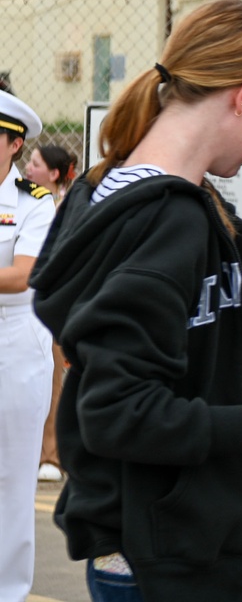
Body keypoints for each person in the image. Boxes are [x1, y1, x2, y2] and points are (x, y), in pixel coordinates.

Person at [28, 0, 242, 602]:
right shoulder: (165, 224)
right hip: (162, 555)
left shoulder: (157, 201)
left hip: (165, 543)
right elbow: (119, 413)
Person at [0, 91, 57, 602]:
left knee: (11, 480)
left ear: (14, 144)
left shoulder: (32, 203)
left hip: (13, 348)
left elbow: (22, 277)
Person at [24, 144, 78, 484]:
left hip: (52, 306)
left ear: (54, 174)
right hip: (22, 308)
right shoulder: (24, 202)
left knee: (53, 382)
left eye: (35, 162)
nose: (28, 167)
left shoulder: (67, 208)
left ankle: (51, 455)